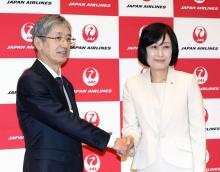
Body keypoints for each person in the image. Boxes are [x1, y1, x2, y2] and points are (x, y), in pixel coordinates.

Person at [16, 15, 127, 172]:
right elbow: (64, 120)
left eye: (68, 39)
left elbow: (71, 126)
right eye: (58, 38)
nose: (64, 44)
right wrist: (110, 141)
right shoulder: (31, 80)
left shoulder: (65, 83)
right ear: (38, 42)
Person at [121, 22, 206, 172]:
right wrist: (129, 140)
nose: (160, 53)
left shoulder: (188, 81)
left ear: (173, 50)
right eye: (154, 47)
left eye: (166, 47)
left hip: (183, 165)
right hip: (147, 165)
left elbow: (198, 132)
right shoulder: (132, 84)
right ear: (144, 50)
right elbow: (131, 127)